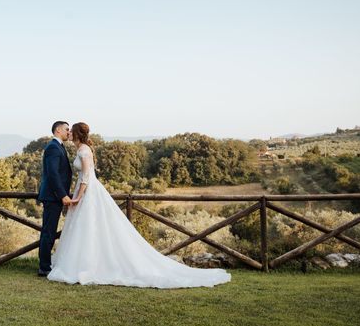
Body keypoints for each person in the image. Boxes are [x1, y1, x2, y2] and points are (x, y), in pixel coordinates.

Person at [47, 122, 231, 288]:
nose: (69, 133)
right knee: (85, 227)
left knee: (90, 226)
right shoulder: (79, 149)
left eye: (71, 131)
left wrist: (78, 196)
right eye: (67, 130)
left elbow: (87, 175)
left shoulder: (84, 150)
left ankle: (90, 265)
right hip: (84, 189)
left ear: (77, 134)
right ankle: (84, 262)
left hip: (88, 191)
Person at [36, 121, 73, 276]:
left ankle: (46, 265)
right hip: (52, 197)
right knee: (48, 232)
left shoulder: (59, 146)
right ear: (58, 130)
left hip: (54, 196)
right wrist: (62, 195)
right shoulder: (53, 147)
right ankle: (44, 268)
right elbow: (53, 174)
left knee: (49, 231)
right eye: (66, 129)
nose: (68, 132)